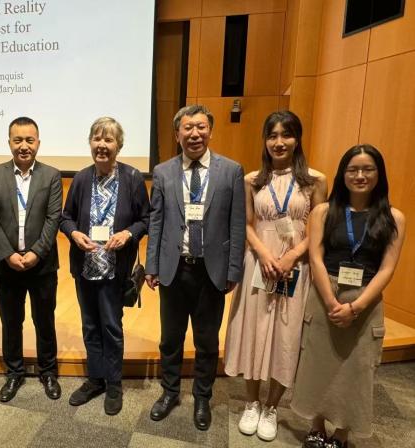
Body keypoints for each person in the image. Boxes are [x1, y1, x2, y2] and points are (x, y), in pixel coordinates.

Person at [291, 144, 405, 448]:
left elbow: (387, 268)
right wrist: (331, 302)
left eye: (368, 169)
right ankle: (316, 425)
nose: (360, 175)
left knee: (355, 368)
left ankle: (341, 432)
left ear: (379, 174)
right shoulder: (323, 212)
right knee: (317, 362)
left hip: (365, 300)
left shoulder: (393, 217)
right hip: (325, 293)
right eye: (353, 169)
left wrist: (355, 307)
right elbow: (316, 258)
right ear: (343, 174)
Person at [223, 111, 327, 441]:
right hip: (259, 264)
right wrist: (265, 255)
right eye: (272, 136)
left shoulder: (315, 181)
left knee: (286, 334)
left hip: (296, 267)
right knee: (253, 330)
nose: (279, 142)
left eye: (286, 134)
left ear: (298, 139)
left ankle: (272, 406)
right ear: (265, 141)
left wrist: (293, 256)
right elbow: (247, 225)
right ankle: (252, 402)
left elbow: (318, 229)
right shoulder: (252, 180)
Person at [145, 104, 246, 430]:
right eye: (187, 128)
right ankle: (169, 392)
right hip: (174, 269)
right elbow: (156, 221)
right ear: (177, 134)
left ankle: (202, 397)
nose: (194, 134)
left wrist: (233, 270)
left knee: (207, 341)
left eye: (201, 127)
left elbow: (237, 224)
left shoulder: (231, 171)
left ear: (210, 131)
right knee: (170, 339)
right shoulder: (163, 171)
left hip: (211, 271)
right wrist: (151, 265)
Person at [60, 117, 149, 416]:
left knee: (111, 326)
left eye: (108, 139)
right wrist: (74, 233)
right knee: (90, 326)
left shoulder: (133, 178)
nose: (102, 145)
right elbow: (66, 217)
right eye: (97, 138)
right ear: (90, 143)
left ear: (118, 146)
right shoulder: (81, 178)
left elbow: (146, 219)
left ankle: (113, 383)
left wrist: (128, 234)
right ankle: (95, 380)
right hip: (85, 267)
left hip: (114, 269)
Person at [0, 117, 63, 402]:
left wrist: (36, 252)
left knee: (44, 321)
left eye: (29, 140)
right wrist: (8, 254)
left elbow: (53, 218)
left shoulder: (52, 175)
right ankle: (14, 373)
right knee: (11, 322)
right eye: (18, 140)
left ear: (38, 143)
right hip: (7, 267)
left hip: (42, 266)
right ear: (9, 143)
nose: (24, 146)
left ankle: (48, 371)